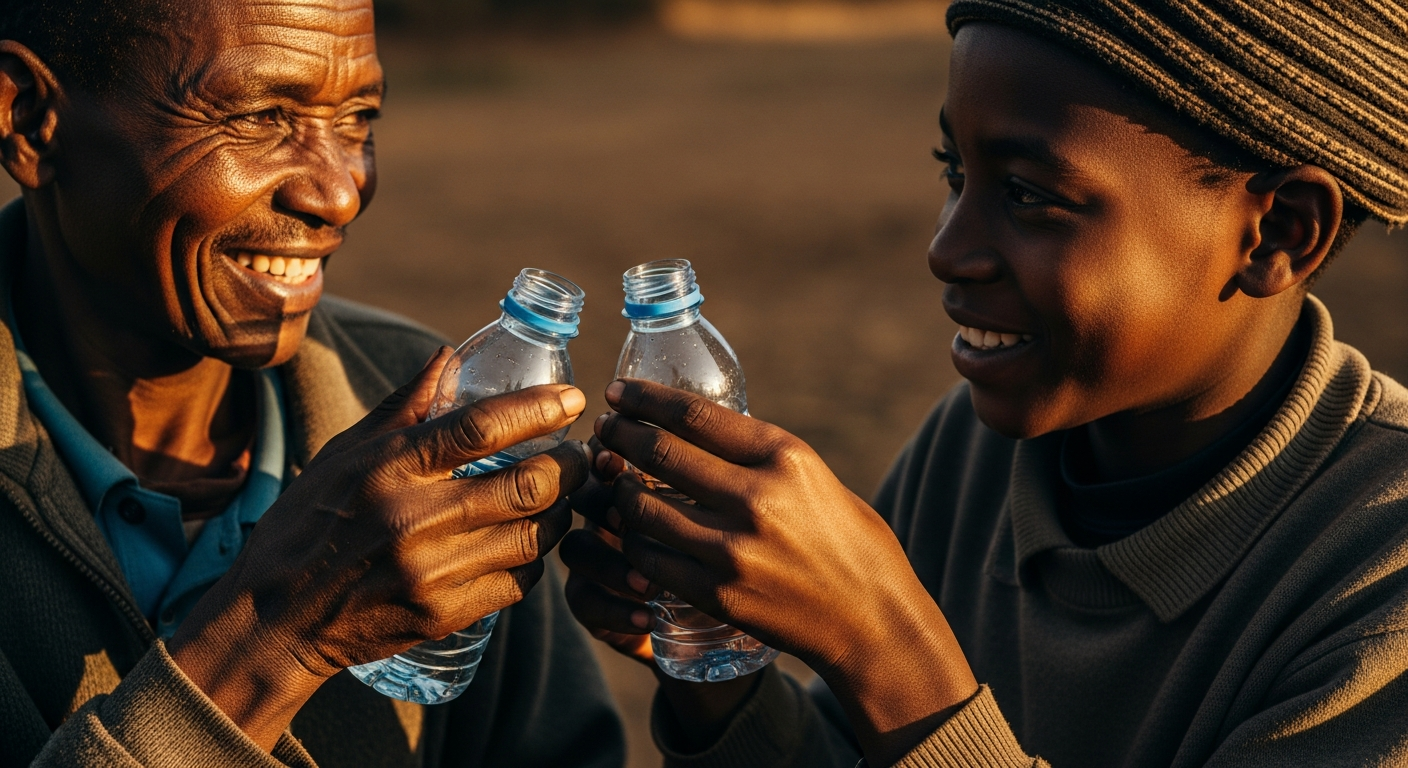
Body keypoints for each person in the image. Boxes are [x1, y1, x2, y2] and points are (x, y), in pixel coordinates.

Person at [562, 1, 1408, 766]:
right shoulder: (968, 455)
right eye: (953, 173)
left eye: (1028, 194)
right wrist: (720, 674)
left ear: (1278, 235)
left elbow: (899, 691)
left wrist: (885, 647)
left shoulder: (1381, 573)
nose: (947, 248)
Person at [0, 0, 623, 766]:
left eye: (359, 117)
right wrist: (269, 642)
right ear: (29, 120)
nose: (338, 193)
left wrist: (720, 695)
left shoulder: (415, 405)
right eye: (261, 116)